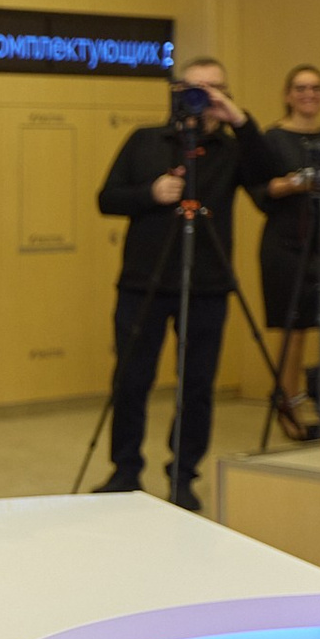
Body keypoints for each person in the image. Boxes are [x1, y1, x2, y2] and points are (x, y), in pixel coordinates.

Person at [93, 57, 277, 511]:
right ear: (176, 92)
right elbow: (106, 198)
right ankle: (125, 470)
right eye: (196, 88)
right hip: (144, 282)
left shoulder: (232, 150)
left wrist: (239, 119)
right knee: (131, 379)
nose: (204, 98)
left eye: (215, 90)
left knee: (196, 386)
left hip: (207, 283)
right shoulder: (144, 140)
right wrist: (150, 193)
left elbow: (267, 176)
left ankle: (184, 475)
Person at [248, 64, 320, 437]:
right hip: (286, 243)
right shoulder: (272, 138)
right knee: (294, 327)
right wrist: (297, 183)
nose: (308, 94)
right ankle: (289, 404)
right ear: (287, 95)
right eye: (300, 88)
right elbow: (261, 191)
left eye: (315, 88)